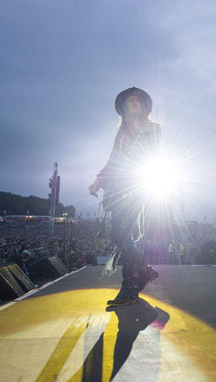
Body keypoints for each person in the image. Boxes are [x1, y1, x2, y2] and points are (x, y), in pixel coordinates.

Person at [89, 87, 160, 306]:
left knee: (123, 233)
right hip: (117, 188)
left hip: (137, 185)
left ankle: (129, 289)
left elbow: (152, 154)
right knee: (118, 236)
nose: (134, 102)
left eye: (138, 100)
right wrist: (99, 181)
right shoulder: (121, 132)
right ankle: (144, 271)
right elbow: (113, 159)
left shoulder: (153, 128)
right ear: (124, 107)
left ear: (144, 106)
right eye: (130, 100)